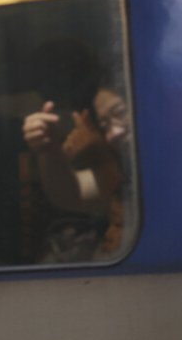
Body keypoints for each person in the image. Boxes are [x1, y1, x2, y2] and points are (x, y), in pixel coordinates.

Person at [22, 83, 132, 259]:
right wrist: (49, 148)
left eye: (120, 113)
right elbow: (71, 194)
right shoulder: (123, 170)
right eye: (104, 126)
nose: (114, 133)